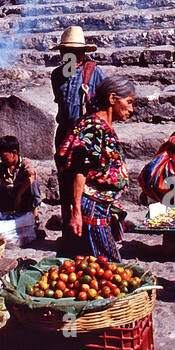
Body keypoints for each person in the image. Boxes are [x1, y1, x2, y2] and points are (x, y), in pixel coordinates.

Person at [56, 76, 136, 261]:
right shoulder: (93, 127)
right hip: (92, 207)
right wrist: (76, 212)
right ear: (112, 99)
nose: (131, 109)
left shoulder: (102, 126)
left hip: (100, 205)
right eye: (129, 102)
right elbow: (79, 171)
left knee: (96, 263)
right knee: (107, 263)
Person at [49, 26, 106, 229]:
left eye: (73, 52)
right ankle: (68, 228)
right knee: (65, 182)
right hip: (64, 135)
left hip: (87, 138)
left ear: (82, 53)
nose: (68, 56)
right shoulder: (57, 76)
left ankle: (88, 227)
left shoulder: (95, 73)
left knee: (86, 184)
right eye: (65, 52)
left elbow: (105, 107)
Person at [0, 136, 38, 217]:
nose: (1, 159)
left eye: (3, 157)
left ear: (14, 153)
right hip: (9, 200)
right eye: (0, 157)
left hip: (23, 199)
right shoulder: (0, 167)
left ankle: (35, 217)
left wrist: (19, 195)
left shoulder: (25, 163)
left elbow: (31, 176)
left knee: (33, 184)